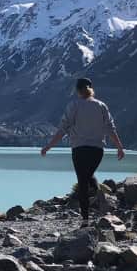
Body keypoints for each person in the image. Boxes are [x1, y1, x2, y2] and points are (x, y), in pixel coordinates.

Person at [40, 77, 125, 227]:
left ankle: (85, 219)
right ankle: (98, 197)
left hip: (79, 150)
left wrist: (49, 146)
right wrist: (119, 147)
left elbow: (63, 129)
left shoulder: (73, 105)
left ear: (77, 90)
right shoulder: (101, 106)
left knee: (82, 182)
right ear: (91, 89)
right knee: (87, 177)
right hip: (97, 151)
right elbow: (110, 128)